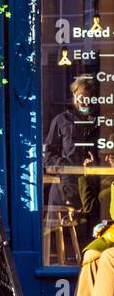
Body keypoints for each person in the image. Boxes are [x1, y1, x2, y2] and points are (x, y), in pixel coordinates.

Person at [43, 75, 100, 242]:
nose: (86, 102)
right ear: (74, 95)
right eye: (82, 97)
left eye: (90, 98)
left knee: (90, 235)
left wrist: (96, 163)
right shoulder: (61, 120)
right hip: (65, 187)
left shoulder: (101, 121)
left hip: (93, 189)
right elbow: (49, 157)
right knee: (57, 238)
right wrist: (70, 167)